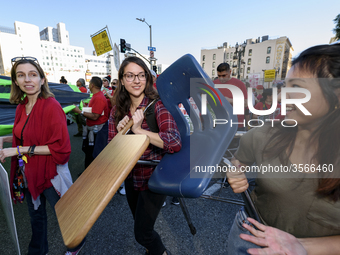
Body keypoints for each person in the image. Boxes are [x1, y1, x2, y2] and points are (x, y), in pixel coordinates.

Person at [227, 44, 340, 254]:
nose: (281, 97)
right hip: (251, 238)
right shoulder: (264, 134)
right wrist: (234, 171)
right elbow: (238, 162)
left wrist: (303, 247)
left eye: (297, 87)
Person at [0, 56, 84, 255]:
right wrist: (5, 139)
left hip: (50, 174)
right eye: (21, 75)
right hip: (29, 171)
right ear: (16, 81)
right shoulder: (22, 106)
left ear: (42, 80)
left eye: (32, 74)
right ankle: (38, 251)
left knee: (66, 215)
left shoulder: (51, 106)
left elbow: (61, 148)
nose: (27, 80)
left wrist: (18, 150)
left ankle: (76, 245)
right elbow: (26, 134)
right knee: (36, 217)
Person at [108, 56, 181, 255]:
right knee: (141, 226)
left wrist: (139, 130)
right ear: (122, 80)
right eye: (130, 76)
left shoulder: (157, 106)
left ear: (147, 79)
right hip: (131, 178)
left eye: (141, 75)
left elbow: (174, 142)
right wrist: (121, 133)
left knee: (142, 233)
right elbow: (111, 152)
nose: (137, 80)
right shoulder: (117, 111)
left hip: (155, 178)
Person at [72, 77, 109, 169]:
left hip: (97, 131)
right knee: (88, 152)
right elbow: (94, 110)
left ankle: (91, 176)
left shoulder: (99, 97)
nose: (88, 86)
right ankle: (88, 173)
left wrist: (80, 111)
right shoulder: (96, 96)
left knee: (93, 154)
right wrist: (84, 107)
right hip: (93, 129)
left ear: (92, 85)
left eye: (89, 84)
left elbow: (95, 116)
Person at [213, 63, 248, 131]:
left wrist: (230, 100)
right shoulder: (213, 84)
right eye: (219, 75)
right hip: (218, 122)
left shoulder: (239, 84)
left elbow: (245, 103)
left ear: (230, 72)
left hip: (236, 122)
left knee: (236, 141)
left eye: (224, 75)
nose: (221, 78)